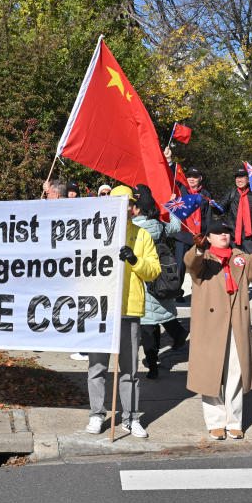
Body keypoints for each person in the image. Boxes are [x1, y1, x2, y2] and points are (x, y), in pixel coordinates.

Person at [185, 218, 252, 439]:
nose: (223, 235)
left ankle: (234, 421)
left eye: (226, 232)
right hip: (210, 326)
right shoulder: (203, 258)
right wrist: (198, 248)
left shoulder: (239, 257)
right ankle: (215, 421)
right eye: (217, 233)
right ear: (208, 237)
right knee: (211, 375)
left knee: (235, 373)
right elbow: (191, 264)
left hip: (236, 322)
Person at [85, 185, 160, 438]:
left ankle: (130, 418)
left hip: (129, 309)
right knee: (97, 368)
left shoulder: (142, 236)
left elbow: (153, 271)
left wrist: (134, 260)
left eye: (127, 203)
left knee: (129, 370)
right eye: (118, 202)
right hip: (100, 310)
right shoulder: (93, 233)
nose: (123, 208)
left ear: (133, 208)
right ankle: (97, 415)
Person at [130, 184, 188, 378]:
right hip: (163, 278)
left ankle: (153, 366)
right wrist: (173, 207)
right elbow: (177, 226)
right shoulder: (160, 226)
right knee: (164, 313)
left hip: (144, 279)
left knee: (148, 326)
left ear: (137, 209)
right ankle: (179, 334)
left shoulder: (134, 228)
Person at [218, 166, 252, 306]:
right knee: (234, 267)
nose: (239, 179)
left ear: (248, 179)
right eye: (237, 177)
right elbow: (220, 209)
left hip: (251, 238)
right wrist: (213, 205)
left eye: (242, 177)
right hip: (234, 237)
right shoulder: (231, 194)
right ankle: (235, 295)